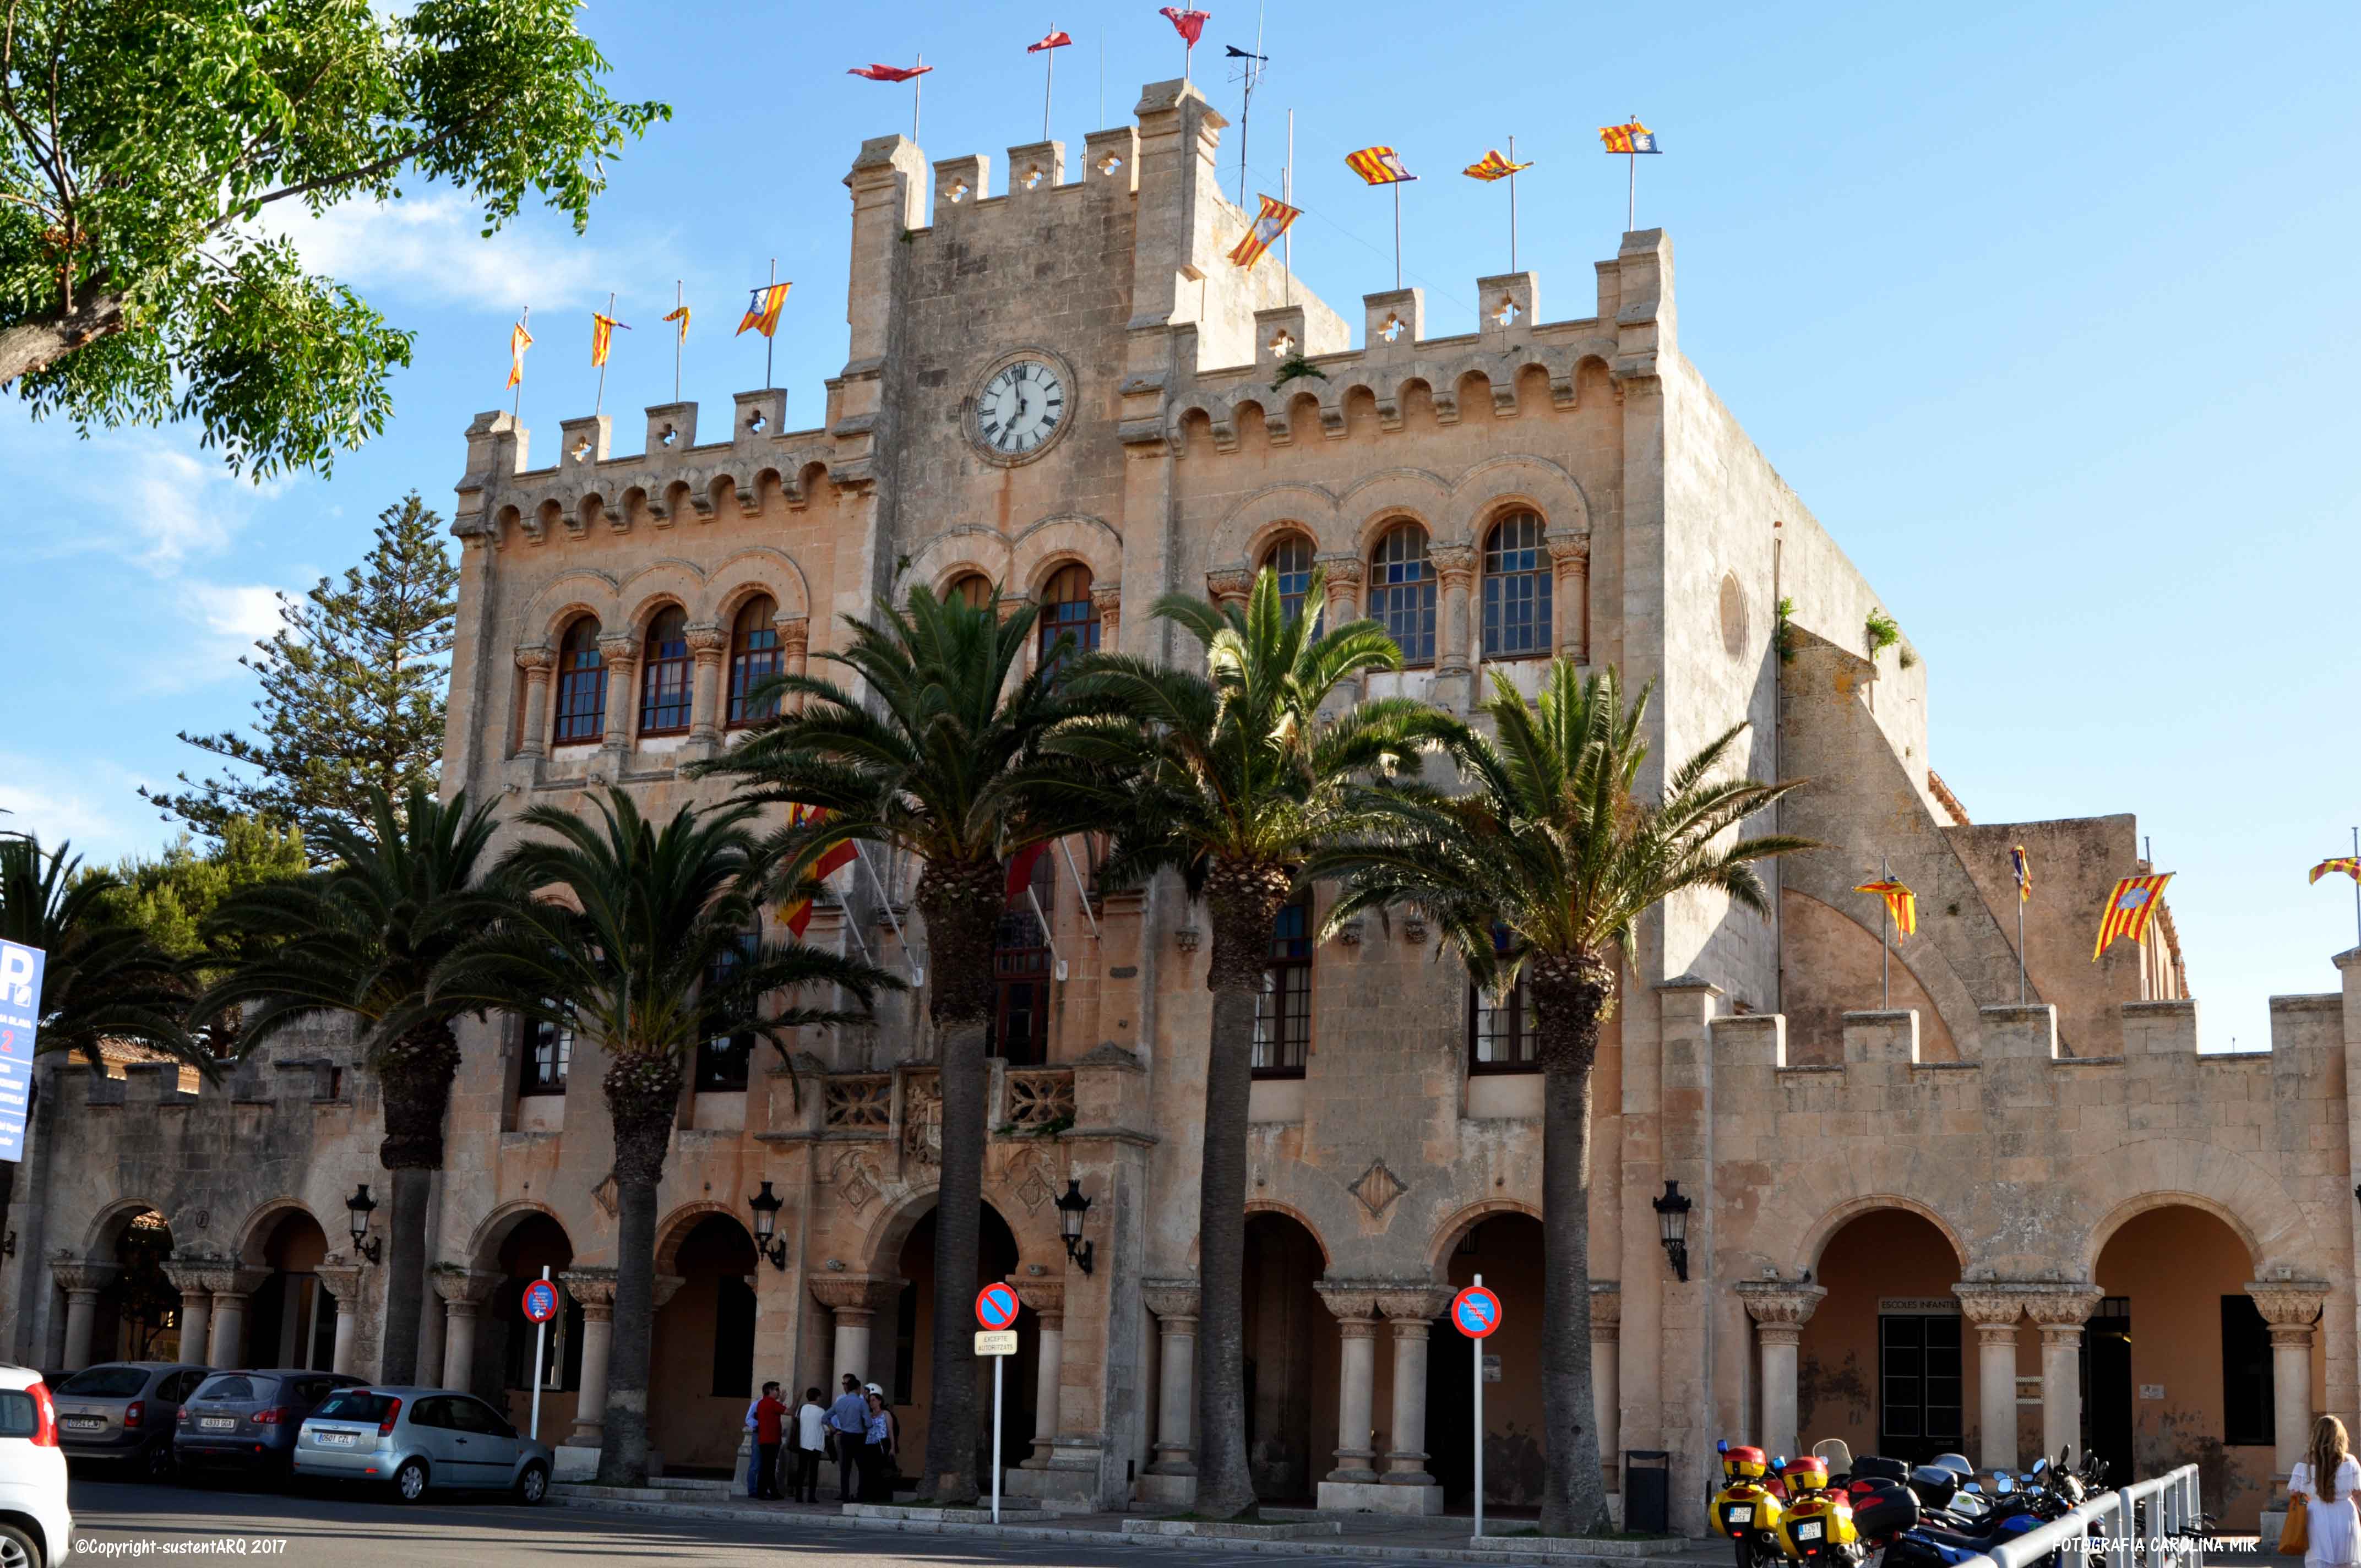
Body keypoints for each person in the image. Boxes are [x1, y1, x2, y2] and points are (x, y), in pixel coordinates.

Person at [2291, 1414, 2360, 1568]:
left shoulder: (2305, 1462)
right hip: (2346, 1514)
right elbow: (2358, 1493)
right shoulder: (2351, 1462)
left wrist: (2310, 1498)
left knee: (2320, 1559)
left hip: (2316, 1514)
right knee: (2346, 1560)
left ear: (2316, 1435)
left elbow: (2295, 1493)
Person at [826, 1373, 868, 1502]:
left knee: (845, 1468)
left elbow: (825, 1417)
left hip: (844, 1436)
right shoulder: (861, 1402)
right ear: (858, 1388)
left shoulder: (840, 1402)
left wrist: (834, 1429)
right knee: (862, 1467)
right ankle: (861, 1495)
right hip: (858, 1437)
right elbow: (869, 1423)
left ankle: (845, 1495)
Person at [752, 1381, 788, 1501]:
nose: (779, 1392)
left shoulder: (763, 1403)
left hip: (766, 1440)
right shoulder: (771, 1403)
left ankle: (771, 1492)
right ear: (770, 1391)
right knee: (768, 1468)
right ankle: (763, 1492)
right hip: (771, 1441)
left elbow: (775, 1412)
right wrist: (797, 1399)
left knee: (768, 1467)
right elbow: (790, 1412)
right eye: (777, 1390)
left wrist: (781, 1401)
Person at [859, 1387, 896, 1502]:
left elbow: (890, 1431)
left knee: (883, 1471)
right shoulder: (869, 1415)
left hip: (881, 1445)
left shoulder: (886, 1414)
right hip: (869, 1445)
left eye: (874, 1400)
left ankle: (884, 1497)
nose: (872, 1403)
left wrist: (893, 1448)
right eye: (870, 1401)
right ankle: (870, 1496)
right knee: (870, 1472)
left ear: (880, 1401)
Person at [792, 1386, 828, 1505]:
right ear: (818, 1397)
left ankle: (799, 1496)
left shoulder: (801, 1409)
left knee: (801, 1471)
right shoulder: (821, 1411)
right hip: (816, 1445)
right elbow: (826, 1428)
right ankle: (811, 1497)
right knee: (813, 1472)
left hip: (803, 1443)